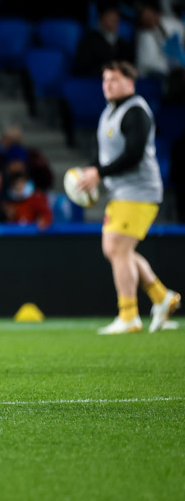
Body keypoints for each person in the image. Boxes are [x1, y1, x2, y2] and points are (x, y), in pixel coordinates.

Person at [76, 62, 180, 334]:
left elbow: (133, 155)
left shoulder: (136, 111)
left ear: (130, 83)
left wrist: (99, 172)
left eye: (114, 79)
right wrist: (91, 169)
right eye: (105, 79)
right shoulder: (109, 112)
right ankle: (161, 297)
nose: (108, 85)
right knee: (118, 250)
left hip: (140, 192)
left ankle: (129, 315)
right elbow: (104, 155)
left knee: (117, 250)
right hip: (123, 192)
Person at [72, 6, 135, 77]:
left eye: (117, 16)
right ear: (102, 17)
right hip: (94, 81)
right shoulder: (89, 40)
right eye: (111, 15)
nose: (115, 18)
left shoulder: (122, 43)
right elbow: (83, 65)